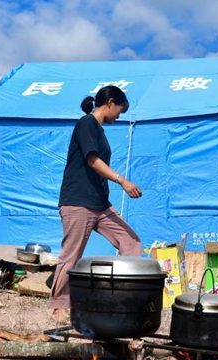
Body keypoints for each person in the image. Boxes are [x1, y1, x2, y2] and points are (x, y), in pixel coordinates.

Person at [48, 86, 143, 322]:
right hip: (78, 202)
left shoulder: (99, 130)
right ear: (111, 103)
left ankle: (119, 297)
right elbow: (92, 160)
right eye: (120, 110)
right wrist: (122, 180)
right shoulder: (86, 124)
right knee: (72, 255)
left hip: (100, 204)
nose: (120, 116)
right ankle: (59, 306)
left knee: (131, 242)